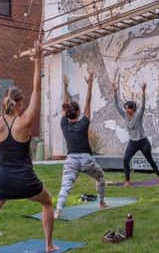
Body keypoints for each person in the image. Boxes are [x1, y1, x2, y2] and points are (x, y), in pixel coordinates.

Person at [0, 42, 57, 253]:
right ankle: (49, 245)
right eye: (22, 103)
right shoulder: (25, 121)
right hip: (25, 180)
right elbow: (38, 88)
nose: (24, 106)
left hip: (0, 179)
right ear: (18, 104)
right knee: (47, 202)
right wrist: (37, 60)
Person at [54, 73, 107, 219]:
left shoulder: (64, 123)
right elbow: (88, 103)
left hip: (71, 160)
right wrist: (89, 84)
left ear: (67, 113)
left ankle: (58, 211)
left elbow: (65, 105)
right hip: (86, 160)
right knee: (100, 178)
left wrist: (65, 87)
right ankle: (101, 203)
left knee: (65, 187)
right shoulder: (83, 123)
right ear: (78, 112)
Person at [113, 81, 159, 186]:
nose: (126, 110)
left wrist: (143, 92)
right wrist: (115, 91)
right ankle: (127, 181)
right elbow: (116, 105)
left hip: (143, 142)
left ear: (133, 109)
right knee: (126, 159)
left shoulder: (138, 116)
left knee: (150, 160)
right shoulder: (125, 115)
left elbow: (143, 106)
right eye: (125, 108)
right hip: (133, 143)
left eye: (128, 108)